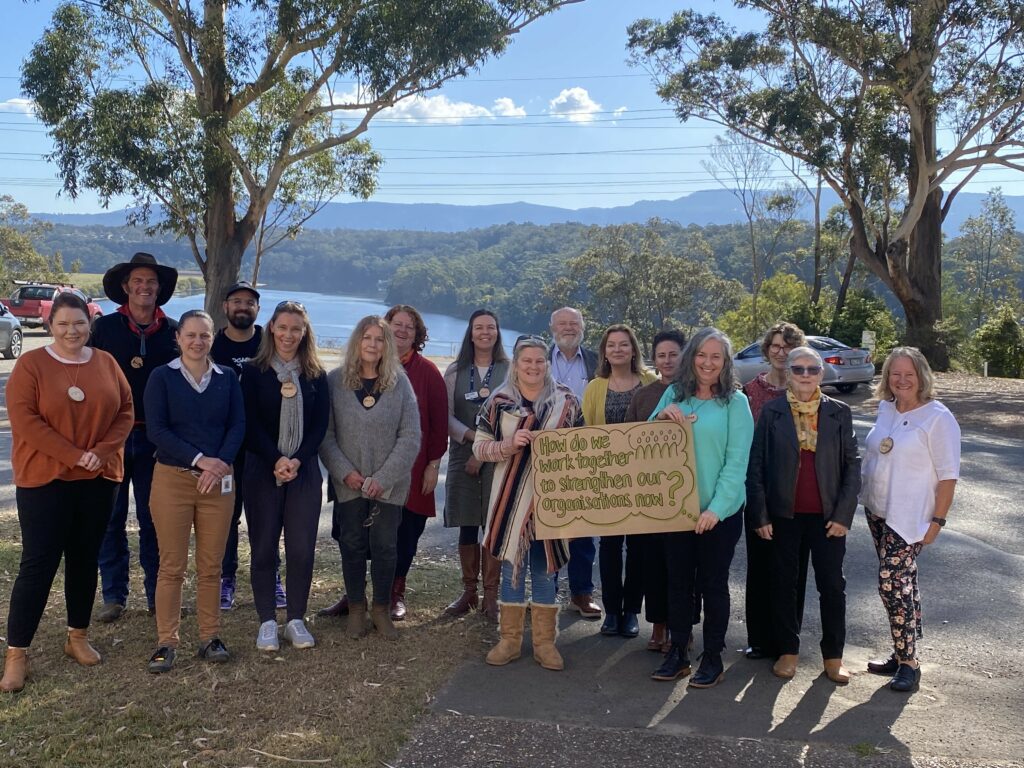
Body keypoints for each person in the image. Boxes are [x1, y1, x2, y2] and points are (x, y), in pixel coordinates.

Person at [1, 293, 133, 692]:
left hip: (99, 478)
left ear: (88, 324)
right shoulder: (32, 365)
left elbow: (126, 410)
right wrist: (75, 456)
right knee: (38, 565)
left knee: (84, 558)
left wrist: (101, 452)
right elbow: (26, 421)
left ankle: (77, 637)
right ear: (50, 325)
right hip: (46, 479)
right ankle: (16, 654)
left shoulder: (106, 363)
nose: (72, 330)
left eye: (78, 323)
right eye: (63, 324)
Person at [746, 346, 860, 685]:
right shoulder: (772, 412)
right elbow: (757, 467)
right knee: (784, 585)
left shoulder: (839, 413)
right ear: (789, 373)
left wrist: (843, 515)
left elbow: (852, 467)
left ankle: (833, 656)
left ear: (822, 374)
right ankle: (788, 651)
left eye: (813, 369)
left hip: (828, 518)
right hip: (785, 515)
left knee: (832, 587)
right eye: (799, 369)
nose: (806, 375)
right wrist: (761, 515)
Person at [649, 327, 754, 687]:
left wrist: (716, 509)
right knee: (678, 584)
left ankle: (712, 657)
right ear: (690, 357)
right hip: (677, 510)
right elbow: (641, 445)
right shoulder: (673, 394)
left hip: (717, 515)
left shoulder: (736, 403)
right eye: (701, 355)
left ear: (725, 363)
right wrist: (663, 418)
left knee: (713, 585)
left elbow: (736, 463)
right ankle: (678, 652)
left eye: (716, 357)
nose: (708, 363)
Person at [143, 310, 245, 673]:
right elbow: (157, 430)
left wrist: (220, 463)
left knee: (211, 566)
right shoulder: (162, 377)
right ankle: (167, 642)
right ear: (178, 338)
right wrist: (203, 460)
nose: (197, 342)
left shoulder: (227, 378)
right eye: (191, 335)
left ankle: (210, 637)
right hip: (174, 479)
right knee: (171, 566)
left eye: (204, 335)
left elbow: (237, 425)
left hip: (218, 483)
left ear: (212, 339)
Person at [474, 336, 583, 671]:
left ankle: (544, 643)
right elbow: (479, 448)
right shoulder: (499, 402)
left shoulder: (566, 401)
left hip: (551, 499)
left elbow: (582, 447)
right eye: (527, 361)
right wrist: (508, 445)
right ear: (516, 365)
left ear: (546, 364)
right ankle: (508, 640)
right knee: (512, 568)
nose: (533, 367)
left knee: (544, 569)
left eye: (539, 361)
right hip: (510, 501)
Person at [861, 347, 960, 693]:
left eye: (909, 375)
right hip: (878, 510)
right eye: (894, 374)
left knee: (890, 581)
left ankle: (910, 664)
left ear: (922, 377)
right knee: (904, 583)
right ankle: (902, 650)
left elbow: (948, 476)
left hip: (911, 517)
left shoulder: (938, 417)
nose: (901, 381)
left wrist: (938, 521)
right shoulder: (886, 409)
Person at [319, 316, 421, 640]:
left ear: (386, 345)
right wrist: (345, 473)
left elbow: (410, 437)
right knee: (351, 544)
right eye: (367, 338)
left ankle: (380, 609)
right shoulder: (335, 382)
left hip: (388, 488)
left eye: (379, 339)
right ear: (357, 342)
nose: (373, 344)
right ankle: (356, 610)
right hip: (348, 484)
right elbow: (326, 435)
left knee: (385, 547)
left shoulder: (400, 384)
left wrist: (383, 478)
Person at [90, 252, 179, 623]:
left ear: (159, 289)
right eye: (138, 282)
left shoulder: (174, 332)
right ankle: (114, 595)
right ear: (126, 287)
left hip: (155, 441)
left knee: (153, 520)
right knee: (110, 519)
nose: (144, 288)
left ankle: (157, 596)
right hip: (112, 439)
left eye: (151, 282)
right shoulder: (104, 329)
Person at [241, 301, 329, 651]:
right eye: (283, 327)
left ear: (305, 332)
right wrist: (276, 458)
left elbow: (320, 425)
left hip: (303, 473)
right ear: (271, 328)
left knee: (301, 549)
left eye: (296, 329)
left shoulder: (316, 375)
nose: (288, 335)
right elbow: (249, 424)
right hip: (262, 470)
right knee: (263, 547)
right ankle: (266, 621)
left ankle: (295, 618)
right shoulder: (252, 372)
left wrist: (297, 460)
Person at [211, 281, 284, 611]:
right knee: (226, 517)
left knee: (267, 516)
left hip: (263, 446)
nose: (243, 307)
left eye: (249, 303)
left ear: (258, 310)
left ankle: (272, 577)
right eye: (236, 301)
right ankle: (226, 579)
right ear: (225, 307)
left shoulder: (269, 346)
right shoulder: (211, 346)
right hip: (225, 449)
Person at [582, 324, 656, 638]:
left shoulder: (652, 383)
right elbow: (586, 432)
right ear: (604, 351)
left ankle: (631, 613)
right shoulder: (595, 387)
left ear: (633, 349)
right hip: (607, 482)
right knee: (610, 548)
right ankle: (611, 611)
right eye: (611, 345)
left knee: (639, 550)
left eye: (623, 345)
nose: (617, 350)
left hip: (644, 481)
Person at [741, 321, 807, 660]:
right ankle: (759, 639)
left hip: (797, 493)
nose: (780, 352)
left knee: (792, 567)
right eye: (776, 346)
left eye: (787, 347)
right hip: (759, 488)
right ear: (767, 349)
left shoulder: (805, 391)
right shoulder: (751, 391)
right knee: (761, 564)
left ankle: (787, 641)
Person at [442, 309, 510, 619]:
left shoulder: (511, 371)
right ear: (470, 333)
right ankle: (469, 591)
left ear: (497, 333)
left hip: (499, 455)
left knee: (493, 524)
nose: (485, 332)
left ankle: (491, 596)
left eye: (491, 327)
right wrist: (471, 438)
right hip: (461, 454)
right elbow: (444, 415)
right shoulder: (456, 371)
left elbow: (516, 414)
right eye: (479, 327)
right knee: (468, 523)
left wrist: (483, 450)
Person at [624, 328, 687, 653]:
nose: (666, 360)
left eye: (673, 354)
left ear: (684, 355)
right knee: (654, 564)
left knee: (686, 567)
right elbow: (629, 444)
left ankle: (684, 627)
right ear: (654, 359)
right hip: (649, 495)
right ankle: (659, 626)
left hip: (686, 494)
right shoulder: (643, 396)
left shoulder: (697, 392)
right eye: (661, 355)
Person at [547, 306, 601, 620]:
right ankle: (547, 594)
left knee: (584, 529)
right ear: (552, 328)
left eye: (574, 323)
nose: (568, 328)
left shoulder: (596, 361)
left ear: (582, 327)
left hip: (588, 455)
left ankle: (581, 593)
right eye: (562, 323)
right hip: (547, 454)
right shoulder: (538, 358)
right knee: (549, 526)